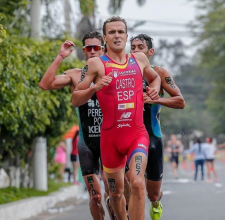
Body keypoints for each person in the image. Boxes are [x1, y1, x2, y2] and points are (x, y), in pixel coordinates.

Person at [71, 16, 161, 220]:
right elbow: (76, 98)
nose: (117, 36)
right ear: (105, 37)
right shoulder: (95, 64)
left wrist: (154, 91)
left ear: (127, 36)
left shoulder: (139, 60)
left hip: (137, 135)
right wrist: (95, 87)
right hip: (110, 141)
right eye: (112, 32)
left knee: (137, 183)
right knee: (116, 193)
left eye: (120, 32)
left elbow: (154, 78)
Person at [39, 31, 112, 220]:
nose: (93, 52)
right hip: (87, 143)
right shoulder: (75, 75)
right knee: (95, 195)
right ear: (84, 51)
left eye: (97, 47)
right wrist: (61, 56)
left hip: (111, 141)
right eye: (89, 48)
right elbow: (45, 84)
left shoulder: (114, 73)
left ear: (103, 49)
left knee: (113, 192)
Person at [130, 33, 185, 220]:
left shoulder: (159, 73)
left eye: (140, 47)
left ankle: (155, 203)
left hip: (152, 137)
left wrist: (156, 99)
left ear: (150, 52)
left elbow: (180, 101)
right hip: (128, 138)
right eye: (133, 48)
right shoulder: (123, 71)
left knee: (152, 193)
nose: (136, 51)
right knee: (132, 186)